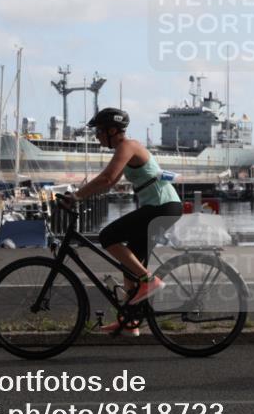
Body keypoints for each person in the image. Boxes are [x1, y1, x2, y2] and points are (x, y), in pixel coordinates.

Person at [61, 107, 183, 336]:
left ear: (113, 130)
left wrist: (77, 196)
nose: (96, 136)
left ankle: (150, 280)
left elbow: (107, 178)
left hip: (162, 206)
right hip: (159, 207)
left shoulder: (128, 146)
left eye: (99, 131)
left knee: (108, 236)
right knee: (130, 263)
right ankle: (130, 319)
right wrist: (82, 195)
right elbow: (111, 180)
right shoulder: (124, 149)